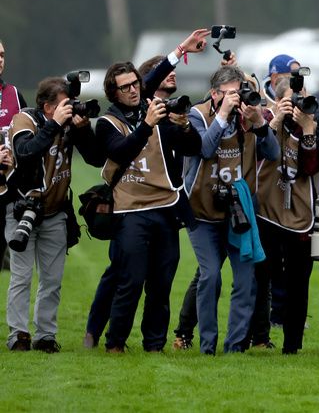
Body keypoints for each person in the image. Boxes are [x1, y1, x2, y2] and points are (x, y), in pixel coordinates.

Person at [97, 29, 207, 353]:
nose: (133, 90)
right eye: (126, 87)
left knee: (161, 283)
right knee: (130, 281)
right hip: (131, 211)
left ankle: (154, 345)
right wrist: (147, 124)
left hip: (165, 208)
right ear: (113, 93)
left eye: (136, 84)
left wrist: (181, 50)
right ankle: (115, 342)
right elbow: (121, 152)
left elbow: (157, 75)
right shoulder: (107, 123)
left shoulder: (150, 105)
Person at [4, 78, 103, 352]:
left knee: (52, 279)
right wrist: (54, 125)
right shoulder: (24, 120)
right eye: (63, 105)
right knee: (21, 277)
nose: (69, 109)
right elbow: (25, 153)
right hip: (22, 209)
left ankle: (46, 335)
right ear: (47, 107)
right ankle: (19, 334)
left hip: (55, 211)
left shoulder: (68, 124)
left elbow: (96, 159)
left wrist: (82, 132)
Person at [184, 66, 278, 355]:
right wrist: (223, 115)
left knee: (246, 280)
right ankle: (208, 345)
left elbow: (273, 154)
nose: (236, 100)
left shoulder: (248, 118)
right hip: (202, 210)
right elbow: (205, 149)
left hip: (239, 210)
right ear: (214, 94)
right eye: (229, 94)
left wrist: (260, 123)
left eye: (239, 93)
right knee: (210, 276)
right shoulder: (197, 115)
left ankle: (235, 346)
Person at [248, 77, 319, 354]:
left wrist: (308, 127)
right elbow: (257, 151)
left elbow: (311, 167)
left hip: (299, 213)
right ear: (278, 99)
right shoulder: (266, 119)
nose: (299, 104)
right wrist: (278, 117)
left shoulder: (310, 124)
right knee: (259, 277)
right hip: (266, 210)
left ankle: (293, 345)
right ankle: (256, 337)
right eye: (293, 99)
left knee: (298, 282)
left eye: (303, 98)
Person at [0, 38, 27, 269]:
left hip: (10, 190)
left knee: (17, 267)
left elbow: (29, 137)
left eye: (1, 55)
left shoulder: (14, 94)